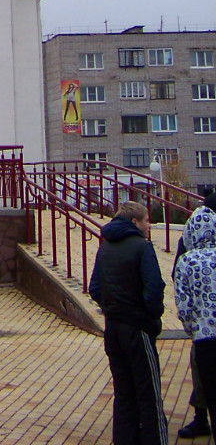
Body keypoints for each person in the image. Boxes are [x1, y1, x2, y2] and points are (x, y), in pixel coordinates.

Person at [89, 200, 167, 445]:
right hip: (138, 329)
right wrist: (149, 317)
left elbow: (95, 288)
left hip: (113, 330)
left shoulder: (105, 247)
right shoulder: (143, 248)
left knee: (123, 394)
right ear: (135, 222)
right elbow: (154, 289)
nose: (149, 224)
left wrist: (111, 308)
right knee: (149, 394)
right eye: (146, 220)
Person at [173, 191, 216, 439]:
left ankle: (203, 418)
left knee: (205, 372)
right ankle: (201, 418)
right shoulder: (204, 217)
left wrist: (193, 325)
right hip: (203, 325)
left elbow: (182, 299)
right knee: (202, 374)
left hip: (202, 329)